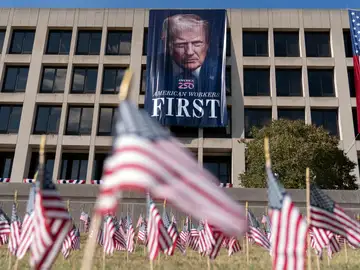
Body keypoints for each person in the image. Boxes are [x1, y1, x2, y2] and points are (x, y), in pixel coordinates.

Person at [154, 13, 222, 93]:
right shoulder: (155, 70)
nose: (189, 52)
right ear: (167, 45)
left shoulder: (218, 71)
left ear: (207, 44)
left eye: (197, 43)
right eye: (180, 44)